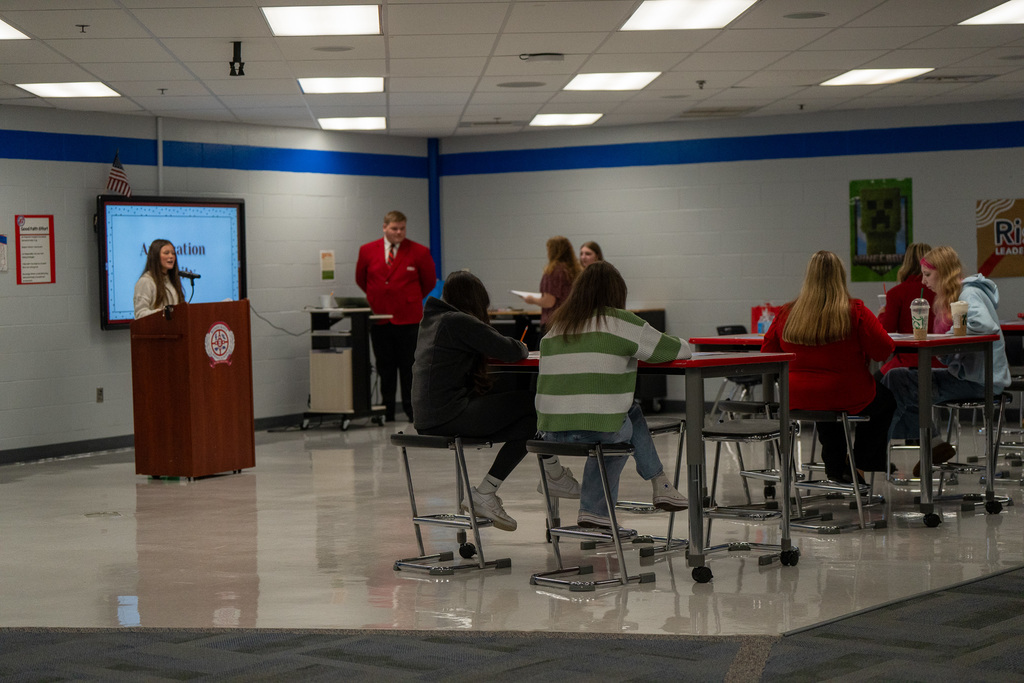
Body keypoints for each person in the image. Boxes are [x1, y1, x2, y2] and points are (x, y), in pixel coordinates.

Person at [413, 271, 579, 531]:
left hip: (430, 416)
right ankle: (554, 475)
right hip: (449, 413)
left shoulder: (433, 320)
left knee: (529, 425)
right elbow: (511, 350)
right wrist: (519, 345)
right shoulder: (457, 321)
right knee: (535, 403)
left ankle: (487, 492)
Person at [535, 261, 690, 529]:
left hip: (548, 434)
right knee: (616, 429)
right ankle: (600, 508)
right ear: (617, 293)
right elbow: (680, 350)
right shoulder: (620, 322)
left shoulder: (556, 327)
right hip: (595, 430)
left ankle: (660, 485)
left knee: (627, 414)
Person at [761, 251, 896, 483]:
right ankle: (859, 465)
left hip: (796, 396)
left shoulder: (787, 313)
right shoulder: (855, 311)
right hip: (847, 393)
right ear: (840, 278)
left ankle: (834, 466)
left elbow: (767, 356)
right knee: (884, 402)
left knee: (824, 408)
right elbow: (884, 350)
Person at [881, 245, 1011, 475]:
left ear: (943, 272)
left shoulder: (968, 293)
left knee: (899, 382)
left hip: (980, 382)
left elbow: (984, 327)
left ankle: (875, 451)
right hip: (970, 377)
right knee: (897, 379)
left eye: (928, 275)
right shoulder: (957, 296)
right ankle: (929, 445)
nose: (923, 282)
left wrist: (948, 338)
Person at [356, 210, 437, 422]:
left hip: (408, 318)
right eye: (394, 228)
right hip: (380, 318)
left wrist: (408, 297)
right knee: (385, 367)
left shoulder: (419, 251)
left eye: (402, 228)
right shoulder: (367, 250)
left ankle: (412, 411)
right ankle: (387, 411)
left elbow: (428, 282)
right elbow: (361, 279)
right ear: (384, 227)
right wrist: (378, 296)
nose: (398, 232)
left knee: (409, 366)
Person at [878, 242, 940, 375]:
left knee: (876, 386)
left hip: (907, 363)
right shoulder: (943, 292)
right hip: (942, 363)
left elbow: (886, 332)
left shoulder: (896, 293)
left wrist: (882, 315)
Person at [519, 236, 582, 328]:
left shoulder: (553, 270)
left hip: (554, 322)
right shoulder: (576, 270)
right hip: (572, 320)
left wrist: (531, 299)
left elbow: (549, 302)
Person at [133, 239, 185, 319]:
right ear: (155, 256)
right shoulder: (146, 281)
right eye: (166, 253)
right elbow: (140, 314)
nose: (171, 256)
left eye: (173, 253)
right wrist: (162, 313)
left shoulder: (173, 280)